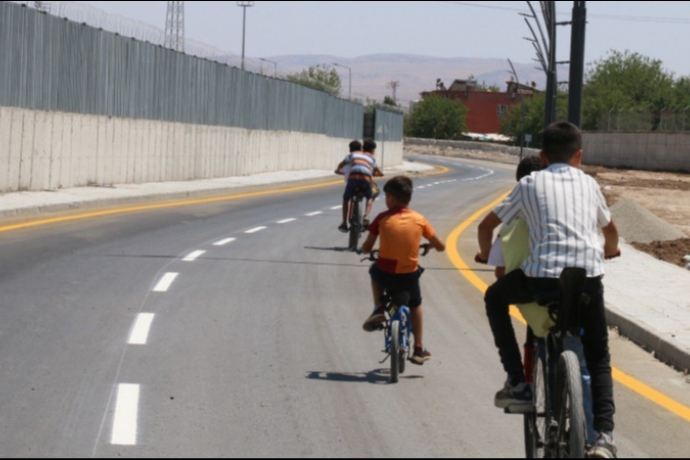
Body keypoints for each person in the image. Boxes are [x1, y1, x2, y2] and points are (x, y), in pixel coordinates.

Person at [476, 122, 621, 459]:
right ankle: (604, 437)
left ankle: (518, 381)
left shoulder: (529, 183)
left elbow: (487, 226)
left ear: (542, 157)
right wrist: (610, 251)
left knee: (494, 298)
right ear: (579, 155)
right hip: (586, 279)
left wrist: (484, 254)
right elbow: (611, 231)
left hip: (540, 279)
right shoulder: (589, 183)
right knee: (599, 358)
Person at [360, 176, 446, 365]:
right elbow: (441, 246)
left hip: (385, 273)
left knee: (374, 271)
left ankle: (378, 308)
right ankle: (419, 347)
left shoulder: (382, 218)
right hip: (408, 276)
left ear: (390, 197)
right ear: (409, 198)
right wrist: (431, 245)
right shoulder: (419, 219)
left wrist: (366, 249)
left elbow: (366, 247)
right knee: (415, 304)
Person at [335, 139, 384, 233]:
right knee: (370, 197)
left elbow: (342, 164)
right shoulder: (371, 158)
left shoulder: (352, 155)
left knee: (345, 199)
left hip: (353, 178)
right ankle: (366, 215)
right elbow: (377, 170)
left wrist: (337, 170)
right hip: (365, 179)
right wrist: (380, 174)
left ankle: (344, 223)